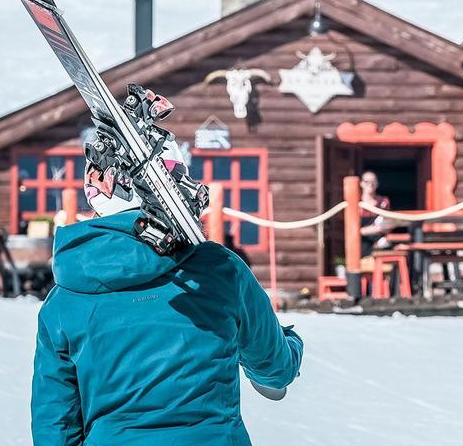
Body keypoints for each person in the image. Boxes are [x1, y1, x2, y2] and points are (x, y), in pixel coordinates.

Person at [31, 137, 303, 446]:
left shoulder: (66, 298)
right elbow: (274, 368)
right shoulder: (219, 270)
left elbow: (54, 423)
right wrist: (291, 343)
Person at [358, 170, 393, 257]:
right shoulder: (356, 203)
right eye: (367, 181)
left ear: (377, 184)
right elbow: (352, 229)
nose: (370, 184)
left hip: (380, 241)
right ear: (361, 183)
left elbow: (388, 224)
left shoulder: (383, 202)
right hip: (362, 242)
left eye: (373, 181)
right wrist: (368, 230)